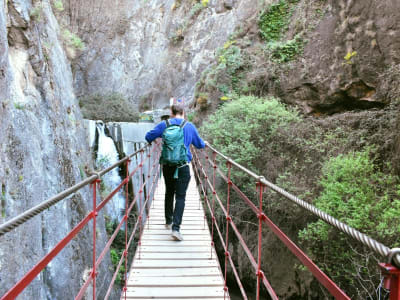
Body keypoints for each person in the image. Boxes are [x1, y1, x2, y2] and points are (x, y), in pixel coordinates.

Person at [145, 104, 205, 241]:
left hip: (167, 165)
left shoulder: (164, 124)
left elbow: (148, 136)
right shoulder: (189, 126)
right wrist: (204, 143)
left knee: (169, 192)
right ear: (183, 112)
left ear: (171, 113)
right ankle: (176, 229)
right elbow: (200, 145)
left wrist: (154, 140)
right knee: (180, 197)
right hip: (183, 166)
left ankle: (168, 221)